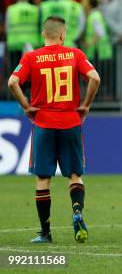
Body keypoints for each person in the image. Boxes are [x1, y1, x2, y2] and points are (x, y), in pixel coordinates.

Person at [7, 16, 101, 243]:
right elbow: (95, 78)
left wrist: (27, 106)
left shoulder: (31, 57)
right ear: (62, 35)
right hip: (70, 122)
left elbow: (12, 82)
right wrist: (85, 105)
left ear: (43, 34)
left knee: (43, 179)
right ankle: (77, 211)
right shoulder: (75, 54)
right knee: (75, 175)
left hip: (44, 123)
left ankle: (45, 232)